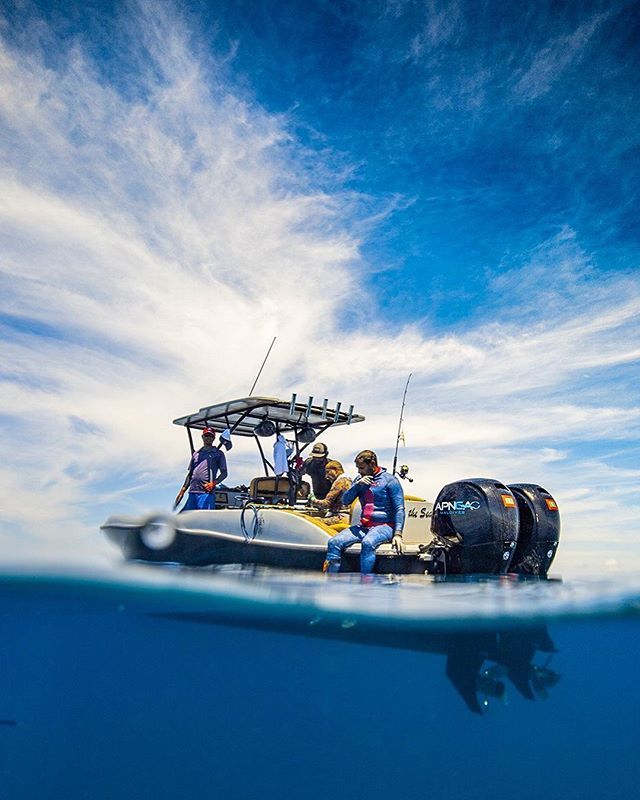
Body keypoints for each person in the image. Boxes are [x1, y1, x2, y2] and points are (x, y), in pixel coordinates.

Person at [324, 449, 404, 574]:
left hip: (385, 526)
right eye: (358, 468)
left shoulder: (390, 480)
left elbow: (399, 508)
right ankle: (330, 578)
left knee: (367, 543)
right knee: (333, 542)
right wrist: (357, 486)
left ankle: (365, 581)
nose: (359, 471)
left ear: (372, 464)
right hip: (364, 526)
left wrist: (398, 534)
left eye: (361, 468)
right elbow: (345, 501)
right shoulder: (359, 480)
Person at [177, 427, 228, 511]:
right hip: (192, 492)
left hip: (206, 493)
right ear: (202, 437)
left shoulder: (218, 454)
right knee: (188, 516)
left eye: (211, 436)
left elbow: (224, 474)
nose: (208, 437)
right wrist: (182, 490)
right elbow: (190, 474)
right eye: (206, 435)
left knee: (205, 517)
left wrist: (213, 484)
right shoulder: (196, 454)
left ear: (214, 438)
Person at [310, 460, 352, 525]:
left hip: (340, 517)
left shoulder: (340, 482)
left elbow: (326, 504)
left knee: (311, 520)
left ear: (336, 470)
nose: (326, 476)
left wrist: (312, 500)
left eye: (328, 472)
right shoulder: (349, 480)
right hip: (346, 517)